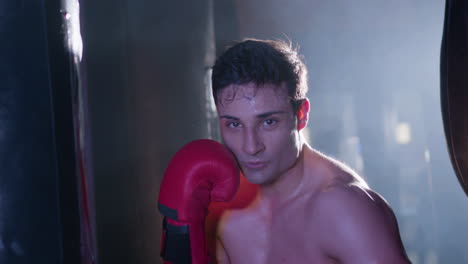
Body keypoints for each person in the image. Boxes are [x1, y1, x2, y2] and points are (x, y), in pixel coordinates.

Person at [210, 39, 411, 264]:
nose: (251, 147)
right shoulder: (226, 216)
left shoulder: (345, 209)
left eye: (268, 122)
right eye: (234, 124)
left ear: (302, 115)